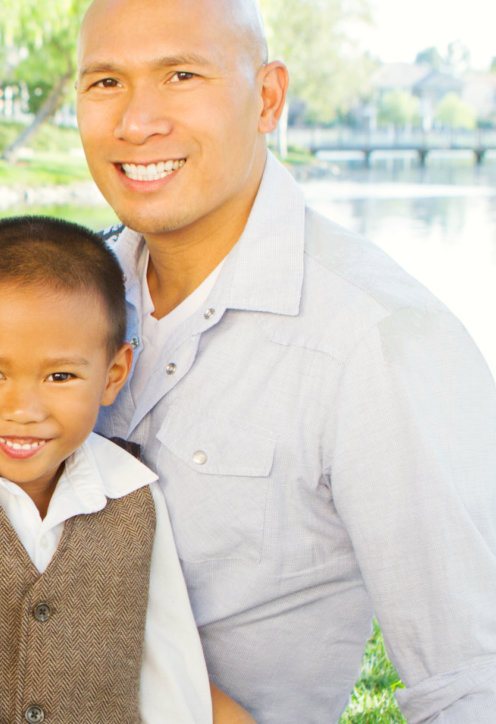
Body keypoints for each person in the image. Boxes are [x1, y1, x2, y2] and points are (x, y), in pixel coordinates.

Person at [77, 1, 496, 721]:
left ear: (267, 97)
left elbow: (470, 679)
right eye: (105, 82)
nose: (136, 122)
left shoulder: (379, 338)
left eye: (181, 75)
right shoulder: (64, 299)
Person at [0, 216, 232, 724]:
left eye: (60, 376)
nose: (24, 409)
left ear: (112, 375)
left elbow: (167, 651)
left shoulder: (132, 491)